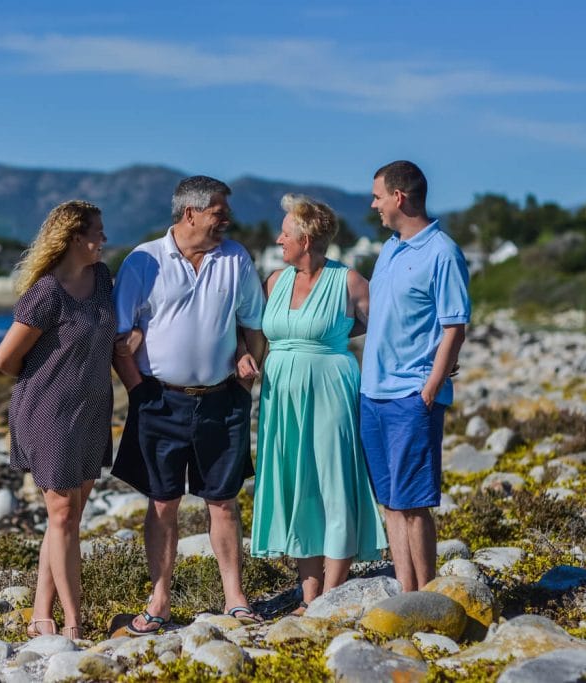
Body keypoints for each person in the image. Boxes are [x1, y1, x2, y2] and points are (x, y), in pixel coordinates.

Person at [112, 175, 266, 634]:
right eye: (220, 212)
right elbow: (119, 338)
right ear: (190, 213)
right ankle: (159, 599)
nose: (227, 221)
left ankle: (234, 598)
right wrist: (139, 390)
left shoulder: (235, 257)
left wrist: (246, 371)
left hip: (223, 402)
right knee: (163, 503)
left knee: (223, 501)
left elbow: (253, 324)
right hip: (159, 401)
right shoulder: (144, 261)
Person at [248, 194, 387, 612]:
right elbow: (257, 335)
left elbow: (380, 328)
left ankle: (332, 592)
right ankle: (309, 595)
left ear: (306, 238)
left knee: (334, 482)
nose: (279, 238)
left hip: (330, 389)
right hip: (280, 394)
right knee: (298, 487)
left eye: (286, 232)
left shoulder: (349, 282)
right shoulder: (275, 280)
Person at [0, 200, 114, 640]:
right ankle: (72, 621)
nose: (104, 239)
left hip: (90, 412)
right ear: (74, 238)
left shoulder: (102, 279)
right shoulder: (46, 293)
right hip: (47, 412)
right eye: (98, 232)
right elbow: (4, 359)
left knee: (67, 517)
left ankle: (39, 612)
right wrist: (47, 379)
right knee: (63, 513)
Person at [360, 160, 470, 592]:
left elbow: (454, 326)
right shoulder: (390, 248)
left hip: (411, 395)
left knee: (413, 503)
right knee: (390, 501)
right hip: (373, 393)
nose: (374, 205)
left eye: (377, 196)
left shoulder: (443, 251)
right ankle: (405, 592)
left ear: (399, 197)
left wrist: (430, 388)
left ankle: (428, 595)